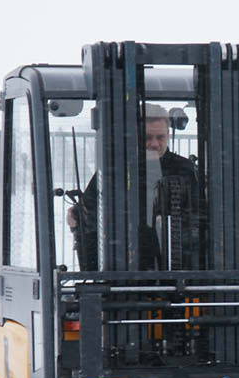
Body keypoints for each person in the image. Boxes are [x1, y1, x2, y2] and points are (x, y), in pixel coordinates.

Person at [68, 104, 199, 270]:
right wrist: (77, 216)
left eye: (160, 137)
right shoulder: (115, 170)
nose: (154, 144)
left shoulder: (185, 170)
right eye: (147, 138)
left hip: (176, 266)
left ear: (168, 135)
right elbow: (89, 213)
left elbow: (200, 216)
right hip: (125, 268)